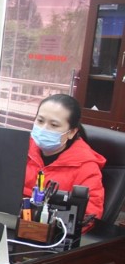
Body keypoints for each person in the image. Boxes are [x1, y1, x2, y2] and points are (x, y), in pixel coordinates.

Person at [23, 93, 106, 221]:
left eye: (54, 125)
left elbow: (89, 215)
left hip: (52, 230)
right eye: (40, 121)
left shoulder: (86, 167)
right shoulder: (21, 148)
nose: (43, 129)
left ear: (71, 132)